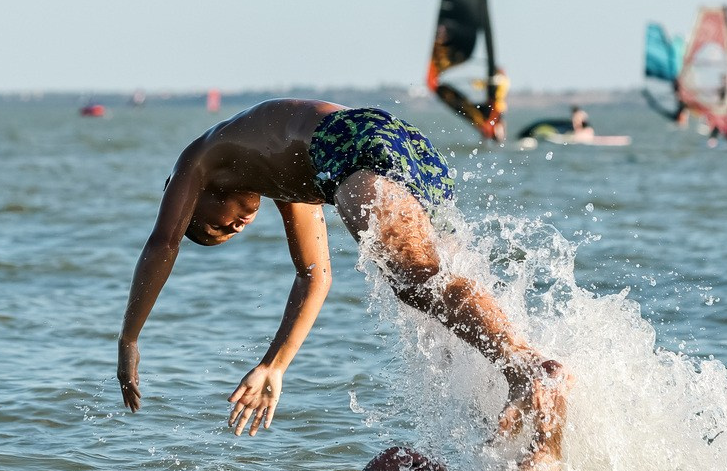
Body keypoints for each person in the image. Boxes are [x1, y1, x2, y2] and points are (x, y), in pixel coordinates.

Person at [117, 99, 558, 436]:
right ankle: (524, 411)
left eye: (215, 226)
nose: (233, 226)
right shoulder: (278, 171)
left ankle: (523, 368)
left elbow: (163, 242)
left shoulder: (197, 161)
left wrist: (129, 339)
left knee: (415, 282)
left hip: (354, 142)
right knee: (433, 295)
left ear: (196, 200)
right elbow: (314, 275)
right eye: (229, 234)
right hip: (403, 142)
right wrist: (275, 365)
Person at [351, 358, 570, 471]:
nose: (435, 462)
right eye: (419, 463)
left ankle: (542, 439)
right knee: (540, 458)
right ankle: (545, 438)